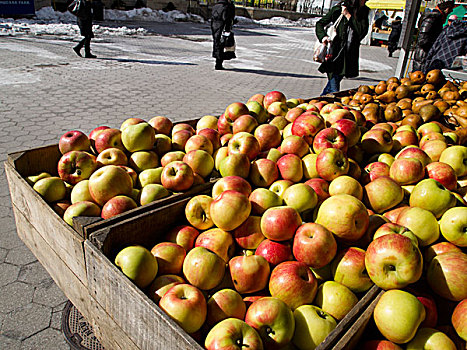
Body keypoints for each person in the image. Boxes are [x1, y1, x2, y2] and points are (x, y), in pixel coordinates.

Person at [315, 0, 370, 95]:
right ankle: (326, 104)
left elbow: (361, 31)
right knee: (334, 88)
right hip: (333, 54)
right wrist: (323, 37)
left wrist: (348, 16)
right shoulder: (337, 9)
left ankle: (318, 102)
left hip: (347, 57)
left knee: (331, 86)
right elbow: (319, 23)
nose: (364, 2)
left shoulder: (363, 12)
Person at [412, 0, 456, 72]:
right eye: (451, 9)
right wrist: (436, 45)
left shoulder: (437, 18)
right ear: (446, 8)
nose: (451, 11)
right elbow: (422, 40)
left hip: (427, 57)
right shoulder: (432, 18)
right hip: (423, 57)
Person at [210, 0, 236, 70]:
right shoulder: (226, 6)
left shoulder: (215, 6)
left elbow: (212, 17)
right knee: (223, 44)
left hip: (215, 27)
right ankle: (219, 63)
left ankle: (217, 63)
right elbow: (227, 19)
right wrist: (228, 29)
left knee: (217, 43)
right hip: (222, 27)